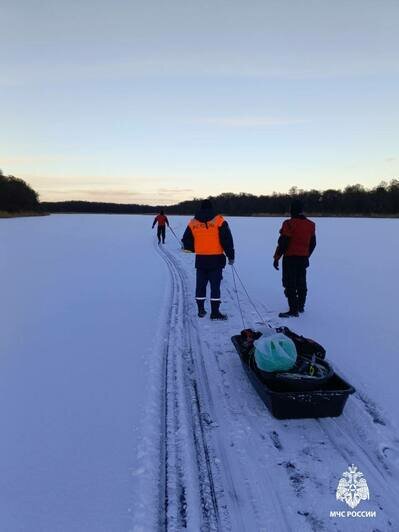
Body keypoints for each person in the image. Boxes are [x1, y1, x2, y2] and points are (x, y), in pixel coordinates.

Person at [182, 199, 235, 320]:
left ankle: (201, 310)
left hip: (200, 260)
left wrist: (193, 249)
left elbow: (186, 240)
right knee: (215, 287)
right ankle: (215, 312)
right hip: (216, 260)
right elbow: (227, 240)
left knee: (200, 285)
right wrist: (231, 256)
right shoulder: (219, 221)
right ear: (212, 208)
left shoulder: (193, 222)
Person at [273, 199, 316, 318]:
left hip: (290, 259)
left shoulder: (288, 224)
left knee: (289, 283)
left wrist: (276, 258)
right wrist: (306, 255)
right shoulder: (311, 225)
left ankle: (293, 309)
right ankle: (301, 306)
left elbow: (283, 243)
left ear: (292, 210)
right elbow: (313, 243)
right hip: (303, 259)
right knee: (301, 282)